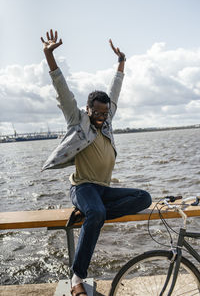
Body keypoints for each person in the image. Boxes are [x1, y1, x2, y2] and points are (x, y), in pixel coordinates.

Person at [41, 29, 152, 296]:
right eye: (98, 113)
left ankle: (91, 212)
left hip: (102, 189)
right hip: (83, 188)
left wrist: (121, 63)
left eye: (105, 112)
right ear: (88, 110)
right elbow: (62, 90)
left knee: (144, 198)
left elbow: (115, 90)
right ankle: (77, 278)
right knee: (98, 211)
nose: (102, 117)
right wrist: (49, 55)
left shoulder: (108, 120)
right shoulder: (77, 120)